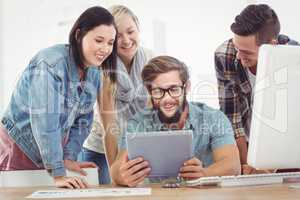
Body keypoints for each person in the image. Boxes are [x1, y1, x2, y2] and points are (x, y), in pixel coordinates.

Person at [0, 6, 117, 189]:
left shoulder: (94, 72)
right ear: (79, 35)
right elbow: (45, 121)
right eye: (99, 40)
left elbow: (83, 121)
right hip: (19, 147)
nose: (105, 48)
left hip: (51, 151)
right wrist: (58, 171)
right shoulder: (49, 64)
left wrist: (68, 158)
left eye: (110, 42)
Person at [110, 56, 241, 187]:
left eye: (174, 90)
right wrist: (123, 176)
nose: (167, 99)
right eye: (158, 91)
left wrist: (205, 173)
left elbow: (233, 165)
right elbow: (116, 170)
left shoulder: (213, 118)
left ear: (187, 87)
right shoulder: (137, 123)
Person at [214, 4, 298, 173]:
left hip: (285, 146)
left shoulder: (294, 57)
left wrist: (270, 166)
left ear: (271, 44)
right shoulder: (225, 55)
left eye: (246, 52)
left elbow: (292, 120)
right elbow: (232, 118)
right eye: (237, 48)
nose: (238, 56)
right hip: (245, 142)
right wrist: (248, 165)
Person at [82, 5, 153, 184]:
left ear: (138, 30)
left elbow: (152, 113)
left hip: (135, 145)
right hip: (101, 148)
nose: (126, 40)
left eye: (130, 32)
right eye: (119, 36)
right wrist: (116, 175)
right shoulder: (104, 69)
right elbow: (109, 127)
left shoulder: (150, 60)